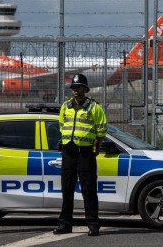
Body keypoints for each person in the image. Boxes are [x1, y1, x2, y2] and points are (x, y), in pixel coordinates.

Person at [53, 74, 107, 236]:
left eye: (78, 87)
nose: (75, 91)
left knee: (88, 189)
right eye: (73, 88)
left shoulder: (94, 107)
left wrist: (96, 145)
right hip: (69, 152)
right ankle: (65, 224)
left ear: (85, 89)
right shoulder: (65, 106)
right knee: (66, 189)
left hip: (85, 153)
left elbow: (101, 130)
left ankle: (93, 224)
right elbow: (62, 125)